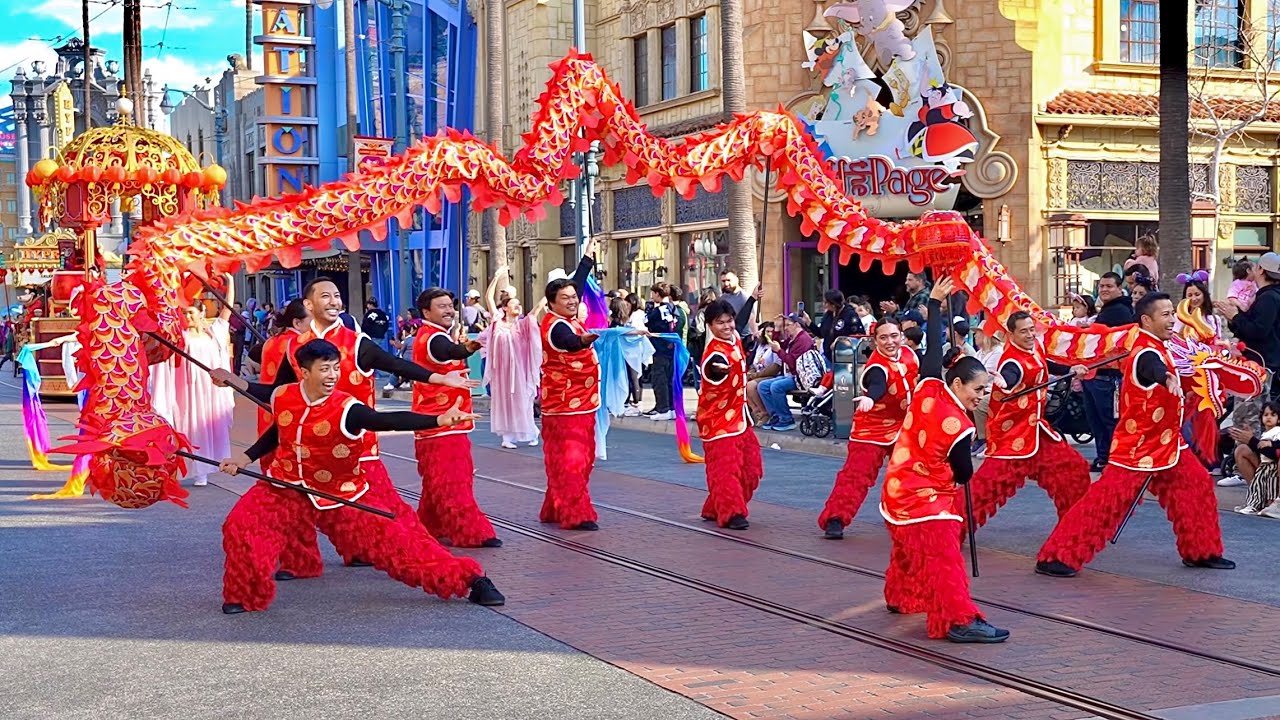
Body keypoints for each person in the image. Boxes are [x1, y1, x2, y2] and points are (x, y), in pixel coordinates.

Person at [217, 339, 504, 613]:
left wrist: (438, 420)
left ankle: (470, 580)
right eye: (324, 369)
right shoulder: (284, 395)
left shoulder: (347, 408)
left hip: (341, 493)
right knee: (240, 526)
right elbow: (280, 429)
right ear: (304, 372)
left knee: (401, 550)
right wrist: (244, 457)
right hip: (286, 485)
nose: (332, 375)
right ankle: (245, 595)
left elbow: (388, 421)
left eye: (335, 368)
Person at [211, 278, 479, 562]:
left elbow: (397, 366)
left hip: (357, 452)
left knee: (392, 518)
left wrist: (442, 380)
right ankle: (298, 564)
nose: (334, 301)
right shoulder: (294, 348)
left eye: (337, 295)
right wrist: (236, 382)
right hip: (306, 456)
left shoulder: (357, 343)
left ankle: (443, 568)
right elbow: (277, 392)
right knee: (261, 520)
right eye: (326, 296)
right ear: (309, 304)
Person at [1036, 292, 1235, 577]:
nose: (1172, 319)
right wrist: (1166, 378)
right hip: (1138, 449)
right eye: (1165, 315)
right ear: (1146, 320)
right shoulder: (1146, 351)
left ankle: (1202, 550)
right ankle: (1056, 556)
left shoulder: (1161, 345)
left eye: (1172, 313)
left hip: (1168, 444)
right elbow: (1152, 369)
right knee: (1105, 504)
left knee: (1196, 485)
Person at [880, 277, 1007, 643]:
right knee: (944, 560)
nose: (981, 397)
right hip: (926, 503)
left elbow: (934, 349)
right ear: (958, 386)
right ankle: (958, 620)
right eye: (978, 390)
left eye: (985, 390)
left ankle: (901, 596)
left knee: (907, 549)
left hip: (895, 493)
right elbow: (964, 473)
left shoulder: (928, 388)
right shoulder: (959, 427)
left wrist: (934, 304)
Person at [964, 312, 1091, 534]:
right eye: (1024, 331)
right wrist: (1004, 383)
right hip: (1013, 436)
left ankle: (1073, 527)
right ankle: (955, 523)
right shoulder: (1012, 360)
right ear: (1010, 334)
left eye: (1032, 329)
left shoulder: (1035, 346)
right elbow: (1010, 375)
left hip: (1037, 431)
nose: (1030, 334)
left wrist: (1070, 369)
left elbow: (1045, 364)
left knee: (1073, 470)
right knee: (986, 489)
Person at [409, 288, 500, 548]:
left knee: (437, 482)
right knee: (454, 480)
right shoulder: (432, 338)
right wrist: (465, 349)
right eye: (442, 306)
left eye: (450, 305)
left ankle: (429, 526)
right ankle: (470, 531)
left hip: (443, 423)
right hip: (441, 426)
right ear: (426, 312)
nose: (449, 310)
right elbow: (447, 351)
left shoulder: (433, 334)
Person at [818, 316, 918, 539]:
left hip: (904, 427)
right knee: (856, 476)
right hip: (871, 430)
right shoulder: (876, 367)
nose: (890, 342)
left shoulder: (910, 356)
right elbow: (877, 384)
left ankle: (915, 518)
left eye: (894, 336)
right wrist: (871, 398)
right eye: (883, 338)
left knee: (914, 473)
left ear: (902, 336)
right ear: (875, 341)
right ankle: (835, 518)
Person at [539, 239, 602, 530]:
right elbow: (569, 343)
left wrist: (587, 260)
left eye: (573, 297)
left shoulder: (566, 315)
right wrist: (584, 341)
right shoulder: (558, 326)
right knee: (573, 461)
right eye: (565, 298)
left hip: (579, 404)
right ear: (551, 303)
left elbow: (575, 285)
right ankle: (575, 513)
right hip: (565, 408)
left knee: (576, 458)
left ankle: (556, 505)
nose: (572, 300)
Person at [696, 295, 762, 530]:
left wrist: (753, 299)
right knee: (726, 470)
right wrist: (717, 370)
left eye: (729, 321)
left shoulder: (734, 338)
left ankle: (715, 507)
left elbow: (741, 323)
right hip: (718, 424)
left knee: (752, 468)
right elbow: (712, 368)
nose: (727, 326)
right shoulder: (714, 354)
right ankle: (731, 512)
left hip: (740, 419)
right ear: (710, 326)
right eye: (720, 323)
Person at [176, 282, 237, 487]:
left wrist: (230, 282)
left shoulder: (214, 332)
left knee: (207, 427)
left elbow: (227, 311)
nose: (188, 317)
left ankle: (205, 469)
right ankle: (190, 469)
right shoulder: (180, 337)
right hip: (188, 389)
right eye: (185, 313)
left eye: (191, 313)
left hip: (210, 390)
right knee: (189, 428)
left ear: (202, 313)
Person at [484, 266, 544, 448]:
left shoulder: (523, 325)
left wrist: (552, 289)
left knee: (522, 400)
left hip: (519, 371)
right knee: (504, 402)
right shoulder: (497, 321)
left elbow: (537, 309)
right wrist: (496, 277)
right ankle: (507, 437)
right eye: (514, 304)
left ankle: (532, 431)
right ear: (505, 308)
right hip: (502, 372)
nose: (518, 306)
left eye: (519, 304)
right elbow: (488, 298)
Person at [1082, 272, 1133, 472]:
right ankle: (1104, 457)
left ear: (1119, 288)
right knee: (1096, 421)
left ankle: (1114, 458)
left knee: (1108, 420)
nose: (1104, 289)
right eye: (1101, 286)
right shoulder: (1109, 309)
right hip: (1095, 374)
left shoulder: (1119, 310)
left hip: (1108, 376)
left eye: (1109, 286)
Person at [1216, 252, 1280, 400]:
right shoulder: (1267, 296)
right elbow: (1248, 328)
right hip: (1266, 364)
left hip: (1263, 367)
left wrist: (1235, 316)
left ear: (1261, 270)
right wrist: (1234, 319)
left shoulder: (1269, 298)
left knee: (1251, 416)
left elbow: (1257, 330)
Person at [757, 314, 817, 431]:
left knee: (776, 387)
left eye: (788, 325)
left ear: (797, 325)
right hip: (790, 375)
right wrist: (777, 329)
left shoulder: (803, 339)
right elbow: (781, 345)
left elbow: (792, 362)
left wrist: (778, 351)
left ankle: (786, 418)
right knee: (762, 386)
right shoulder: (793, 337)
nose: (786, 328)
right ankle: (776, 415)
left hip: (800, 376)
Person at [1233, 401, 1280, 517]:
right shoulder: (1266, 433)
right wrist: (1251, 441)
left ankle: (1276, 503)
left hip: (1274, 468)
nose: (1269, 417)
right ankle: (1257, 499)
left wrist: (1252, 441)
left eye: (1273, 415)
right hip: (1266, 466)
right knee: (1242, 449)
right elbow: (1262, 451)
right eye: (1266, 415)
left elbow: (1275, 453)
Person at [645, 282, 680, 421]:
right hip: (672, 348)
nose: (652, 296)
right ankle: (672, 407)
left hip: (660, 348)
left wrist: (649, 310)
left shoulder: (659, 310)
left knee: (659, 379)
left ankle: (663, 408)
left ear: (658, 294)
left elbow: (646, 321)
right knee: (670, 379)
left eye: (653, 293)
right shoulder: (674, 308)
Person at [970, 329, 1005, 456]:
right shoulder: (980, 353)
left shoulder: (997, 352)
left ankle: (983, 438)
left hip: (993, 389)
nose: (974, 335)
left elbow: (984, 374)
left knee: (978, 403)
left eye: (978, 333)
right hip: (979, 388)